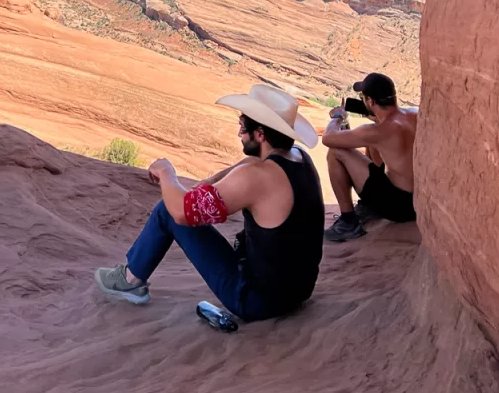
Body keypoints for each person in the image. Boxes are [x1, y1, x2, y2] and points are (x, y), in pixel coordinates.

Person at [95, 85, 324, 322]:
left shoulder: (257, 177)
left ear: (260, 134)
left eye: (243, 128)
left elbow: (183, 212)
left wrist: (167, 174)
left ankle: (130, 281)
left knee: (167, 211)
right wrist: (213, 180)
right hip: (298, 292)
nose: (239, 134)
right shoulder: (299, 157)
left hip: (256, 301)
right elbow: (248, 162)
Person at [322, 72, 417, 241]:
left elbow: (329, 138)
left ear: (370, 101)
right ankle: (367, 207)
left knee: (335, 151)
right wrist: (377, 118)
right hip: (417, 201)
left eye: (364, 98)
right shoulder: (414, 114)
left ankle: (348, 221)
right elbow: (391, 134)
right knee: (371, 144)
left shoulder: (376, 131)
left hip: (399, 207)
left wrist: (338, 117)